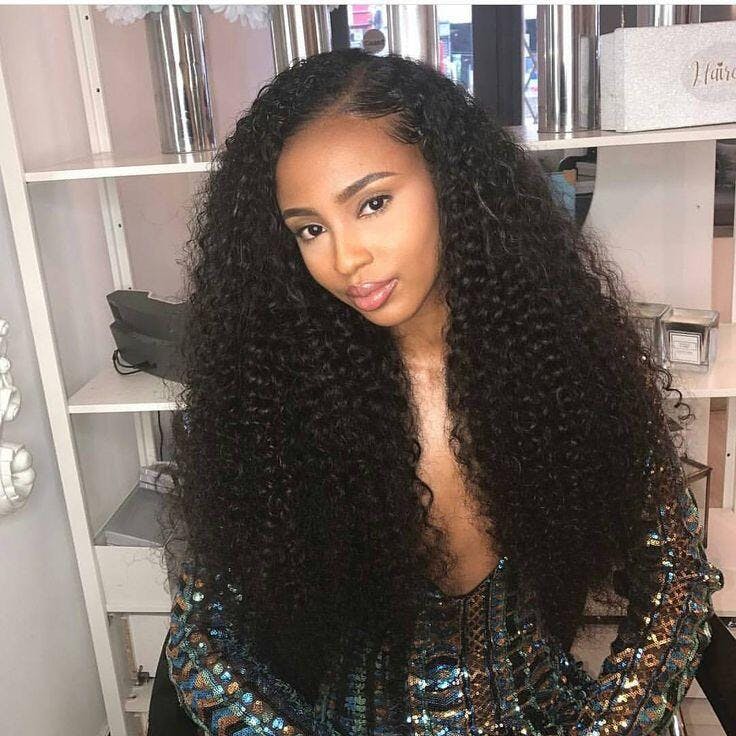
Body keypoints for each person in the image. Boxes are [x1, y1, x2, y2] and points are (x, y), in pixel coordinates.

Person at [149, 48, 725, 736]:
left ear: (451, 180)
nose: (346, 258)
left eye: (373, 203)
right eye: (310, 229)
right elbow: (203, 639)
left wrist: (607, 727)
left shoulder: (568, 367)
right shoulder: (274, 400)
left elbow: (676, 583)